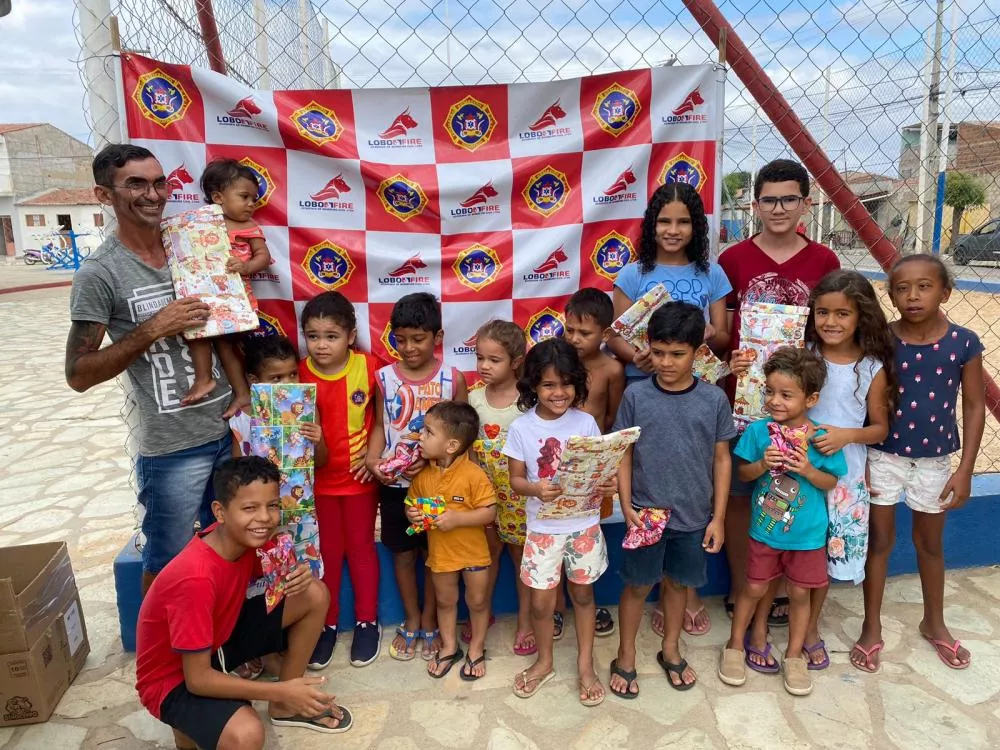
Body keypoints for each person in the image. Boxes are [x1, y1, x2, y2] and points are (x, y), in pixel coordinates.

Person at [66, 143, 233, 592]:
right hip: (173, 447)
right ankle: (163, 661)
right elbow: (78, 374)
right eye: (135, 184)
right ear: (104, 196)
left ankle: (224, 648)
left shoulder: (191, 242)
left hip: (230, 428)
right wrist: (151, 329)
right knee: (169, 566)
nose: (152, 194)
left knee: (230, 553)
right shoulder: (100, 274)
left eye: (159, 182)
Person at [135, 457, 352, 750]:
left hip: (217, 640)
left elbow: (266, 573)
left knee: (313, 593)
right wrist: (280, 691)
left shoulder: (241, 539)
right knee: (247, 733)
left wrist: (295, 574)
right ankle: (192, 726)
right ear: (219, 512)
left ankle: (285, 709)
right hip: (173, 679)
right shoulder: (195, 578)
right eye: (250, 508)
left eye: (272, 505)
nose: (264, 518)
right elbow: (197, 678)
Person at [719, 158, 840, 627]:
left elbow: (828, 327)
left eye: (789, 198)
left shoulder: (823, 259)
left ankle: (786, 585)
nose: (778, 208)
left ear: (806, 203)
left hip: (797, 400)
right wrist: (731, 357)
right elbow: (722, 330)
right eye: (769, 199)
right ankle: (740, 584)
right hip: (746, 396)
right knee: (739, 490)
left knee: (793, 483)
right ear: (755, 204)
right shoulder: (734, 259)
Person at [607, 181, 731, 637]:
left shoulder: (710, 273)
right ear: (651, 225)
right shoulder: (634, 273)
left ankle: (684, 591)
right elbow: (615, 334)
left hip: (696, 389)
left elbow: (721, 330)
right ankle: (654, 584)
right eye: (664, 221)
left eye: (683, 221)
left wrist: (691, 337)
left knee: (689, 473)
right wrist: (635, 354)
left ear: (696, 226)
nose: (673, 230)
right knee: (653, 476)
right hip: (647, 388)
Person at [851, 254, 984, 672]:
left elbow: (976, 406)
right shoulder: (881, 341)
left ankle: (935, 622)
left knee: (930, 545)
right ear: (891, 295)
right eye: (902, 288)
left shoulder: (964, 342)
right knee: (880, 543)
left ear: (945, 292)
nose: (913, 295)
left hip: (936, 463)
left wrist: (965, 470)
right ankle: (871, 626)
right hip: (884, 456)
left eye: (924, 286)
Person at [610, 302, 735, 698]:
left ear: (698, 353)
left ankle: (671, 649)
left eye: (677, 354)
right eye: (659, 352)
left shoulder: (714, 399)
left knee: (678, 586)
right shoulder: (636, 396)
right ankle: (625, 657)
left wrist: (717, 518)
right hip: (646, 515)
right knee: (637, 585)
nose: (666, 362)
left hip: (694, 515)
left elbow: (721, 458)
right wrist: (627, 505)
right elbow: (624, 453)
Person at [719, 347, 847, 697]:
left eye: (786, 395)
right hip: (765, 530)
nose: (775, 401)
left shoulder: (821, 438)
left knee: (800, 594)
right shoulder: (759, 432)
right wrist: (763, 464)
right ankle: (734, 645)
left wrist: (807, 469)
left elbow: (831, 482)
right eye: (770, 392)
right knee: (755, 587)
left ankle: (793, 655)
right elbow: (742, 475)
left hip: (808, 537)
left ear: (812, 398)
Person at [503, 338, 617, 707]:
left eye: (567, 383)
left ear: (578, 384)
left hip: (583, 525)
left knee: (583, 596)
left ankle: (586, 665)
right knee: (540, 604)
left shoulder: (585, 423)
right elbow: (515, 480)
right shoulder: (522, 427)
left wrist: (608, 483)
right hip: (542, 531)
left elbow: (601, 470)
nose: (559, 392)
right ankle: (545, 661)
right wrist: (535, 488)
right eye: (549, 384)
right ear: (533, 385)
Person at [798, 271, 895, 671]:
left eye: (842, 313)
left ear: (861, 317)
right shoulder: (803, 354)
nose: (831, 322)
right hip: (797, 472)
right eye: (823, 312)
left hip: (844, 480)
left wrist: (844, 435)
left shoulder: (871, 367)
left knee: (821, 560)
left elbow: (879, 428)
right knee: (796, 547)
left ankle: (811, 628)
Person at [367, 292, 468, 662]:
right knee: (404, 554)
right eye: (400, 339)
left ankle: (429, 619)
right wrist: (373, 457)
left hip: (437, 488)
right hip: (396, 489)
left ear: (437, 337)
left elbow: (463, 439)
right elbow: (380, 425)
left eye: (418, 339)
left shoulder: (451, 379)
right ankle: (411, 616)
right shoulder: (384, 378)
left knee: (435, 555)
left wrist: (432, 466)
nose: (408, 348)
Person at [226, 334, 329, 681]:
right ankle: (268, 655)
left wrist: (318, 439)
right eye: (277, 378)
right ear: (254, 382)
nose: (288, 384)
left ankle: (295, 646)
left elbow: (323, 461)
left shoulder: (306, 411)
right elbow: (237, 476)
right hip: (262, 524)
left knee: (302, 580)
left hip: (300, 519)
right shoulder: (241, 420)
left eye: (292, 375)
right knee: (264, 584)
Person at [297, 292, 382, 669]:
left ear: (350, 335)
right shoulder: (298, 375)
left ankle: (368, 621)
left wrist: (373, 456)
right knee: (327, 553)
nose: (321, 344)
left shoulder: (371, 367)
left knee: (361, 549)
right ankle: (325, 623)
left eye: (331, 335)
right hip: (316, 483)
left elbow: (381, 421)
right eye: (312, 336)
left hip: (361, 480)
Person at [405, 401, 497, 679]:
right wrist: (411, 514)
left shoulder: (473, 474)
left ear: (452, 445)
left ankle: (476, 648)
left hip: (474, 555)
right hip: (441, 554)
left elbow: (489, 512)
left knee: (478, 601)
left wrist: (457, 519)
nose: (421, 437)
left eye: (429, 432)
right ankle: (449, 647)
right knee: (445, 602)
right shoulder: (423, 475)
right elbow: (412, 502)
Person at [181, 159, 272, 412]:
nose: (251, 204)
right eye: (244, 197)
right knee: (197, 333)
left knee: (225, 344)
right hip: (204, 292)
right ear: (218, 197)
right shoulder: (198, 222)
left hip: (234, 298)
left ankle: (241, 392)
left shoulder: (249, 227)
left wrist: (246, 267)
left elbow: (263, 257)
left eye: (254, 198)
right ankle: (205, 379)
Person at [467, 320, 533, 655]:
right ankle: (482, 614)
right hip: (485, 498)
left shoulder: (528, 400)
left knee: (521, 557)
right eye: (480, 358)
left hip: (520, 497)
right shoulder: (473, 398)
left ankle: (525, 620)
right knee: (486, 554)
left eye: (494, 360)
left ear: (517, 360)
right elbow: (467, 447)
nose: (484, 366)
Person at [563, 287, 624, 638]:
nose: (574, 339)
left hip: (592, 472)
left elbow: (612, 416)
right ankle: (556, 606)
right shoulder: (557, 362)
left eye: (584, 333)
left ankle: (589, 599)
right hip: (554, 469)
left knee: (589, 537)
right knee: (553, 534)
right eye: (569, 329)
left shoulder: (612, 370)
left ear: (606, 333)